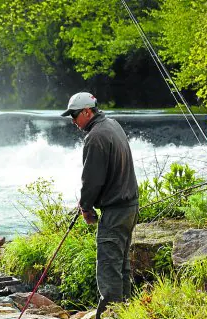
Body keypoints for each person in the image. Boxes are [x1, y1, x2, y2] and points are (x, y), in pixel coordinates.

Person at [61, 92, 139, 318]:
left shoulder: (95, 137)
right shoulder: (112, 125)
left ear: (87, 111)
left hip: (115, 211)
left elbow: (92, 180)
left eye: (74, 116)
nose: (73, 121)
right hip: (130, 206)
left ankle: (110, 314)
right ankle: (127, 311)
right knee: (121, 266)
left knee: (108, 268)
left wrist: (85, 207)